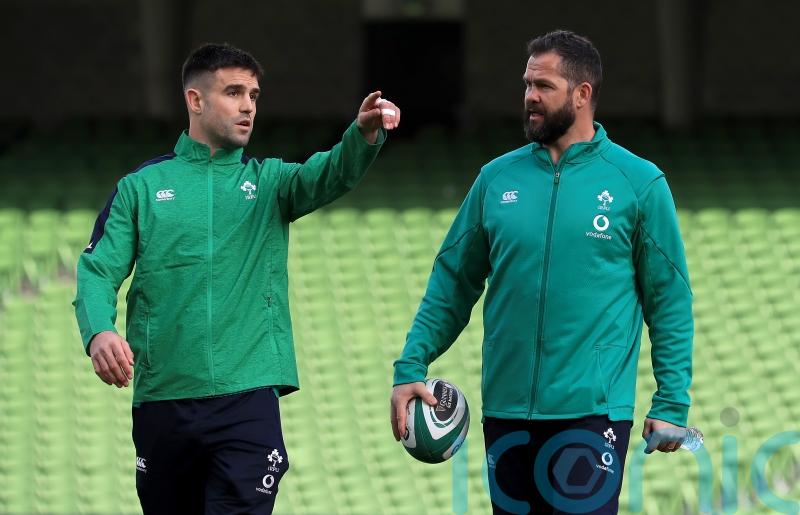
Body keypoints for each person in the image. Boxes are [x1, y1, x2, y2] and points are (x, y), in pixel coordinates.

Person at [73, 43, 400, 514]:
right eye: (233, 92)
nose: (248, 106)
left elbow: (329, 174)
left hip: (247, 399)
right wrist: (99, 331)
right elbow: (97, 270)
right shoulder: (139, 188)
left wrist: (362, 135)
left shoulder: (270, 183)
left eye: (253, 95)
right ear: (195, 100)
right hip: (164, 399)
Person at [390, 30, 692, 514]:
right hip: (506, 413)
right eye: (527, 84)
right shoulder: (495, 179)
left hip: (591, 414)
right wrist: (410, 366)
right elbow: (451, 284)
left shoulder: (639, 183)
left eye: (544, 86)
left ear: (582, 93)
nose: (530, 96)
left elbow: (669, 301)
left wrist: (671, 401)